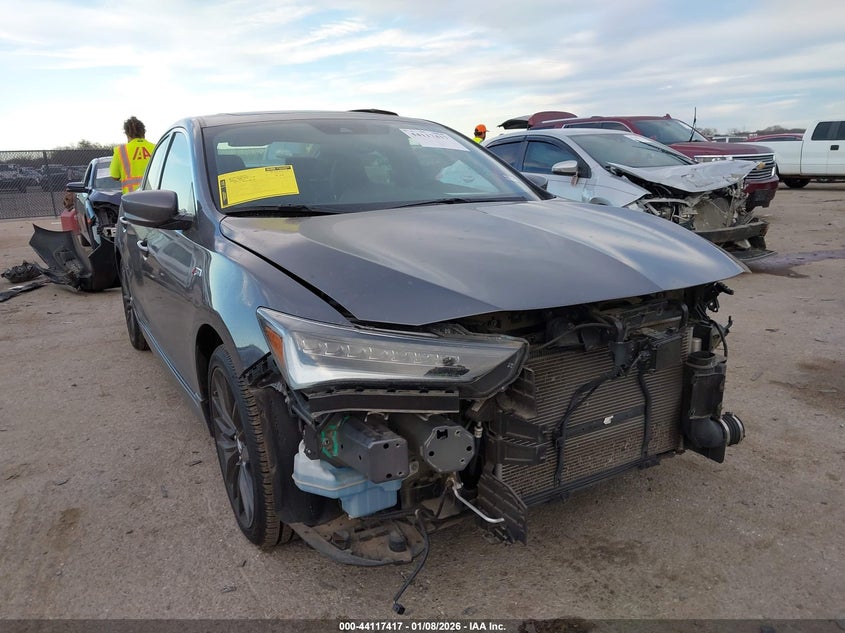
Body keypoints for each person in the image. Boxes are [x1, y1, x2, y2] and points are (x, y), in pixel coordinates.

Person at [110, 116, 155, 193]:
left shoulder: (120, 151)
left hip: (131, 199)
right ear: (144, 132)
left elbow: (115, 176)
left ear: (127, 134)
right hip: (154, 197)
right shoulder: (156, 148)